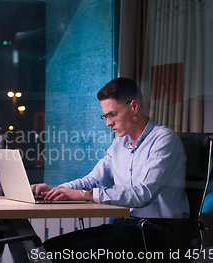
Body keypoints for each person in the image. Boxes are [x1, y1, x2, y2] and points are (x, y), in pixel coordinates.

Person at [31, 77, 189, 262]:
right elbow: (93, 180)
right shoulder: (118, 144)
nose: (108, 123)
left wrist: (85, 195)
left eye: (112, 114)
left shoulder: (164, 140)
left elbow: (143, 194)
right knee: (49, 249)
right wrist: (58, 190)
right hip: (125, 224)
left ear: (134, 107)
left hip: (158, 231)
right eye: (105, 116)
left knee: (76, 254)